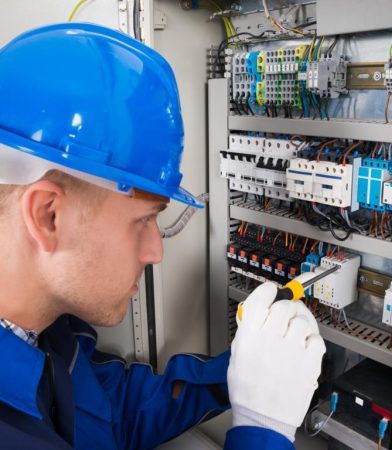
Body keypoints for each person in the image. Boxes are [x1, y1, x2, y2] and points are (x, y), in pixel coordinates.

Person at [0, 23, 325, 449]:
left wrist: (249, 374)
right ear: (49, 215)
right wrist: (262, 431)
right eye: (142, 221)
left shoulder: (46, 335)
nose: (156, 251)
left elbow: (108, 413)